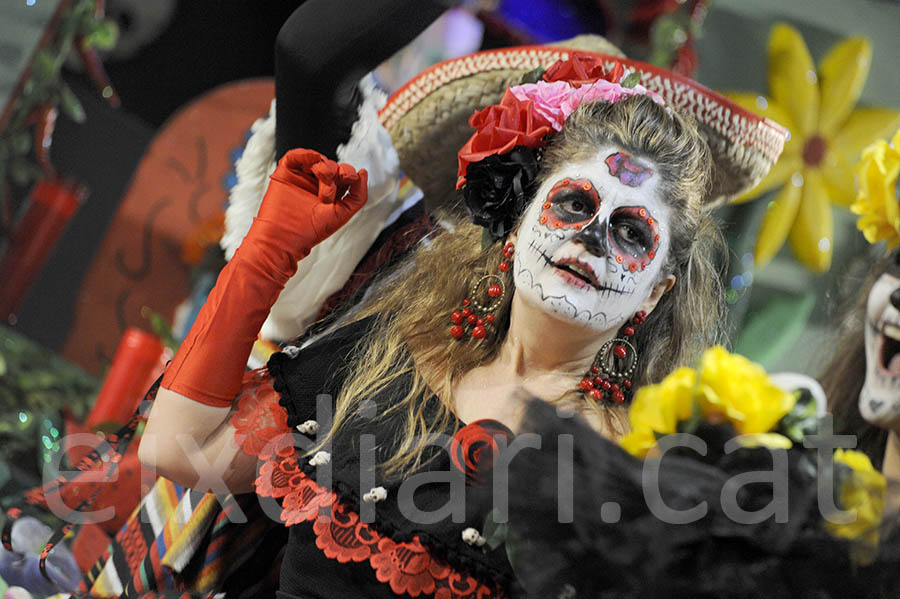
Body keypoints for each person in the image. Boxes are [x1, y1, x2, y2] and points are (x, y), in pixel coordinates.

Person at [138, 35, 789, 596]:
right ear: (518, 222)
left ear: (655, 290)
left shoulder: (630, 467)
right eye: (573, 203)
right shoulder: (388, 355)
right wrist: (270, 245)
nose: (591, 238)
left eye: (630, 232)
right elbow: (176, 447)